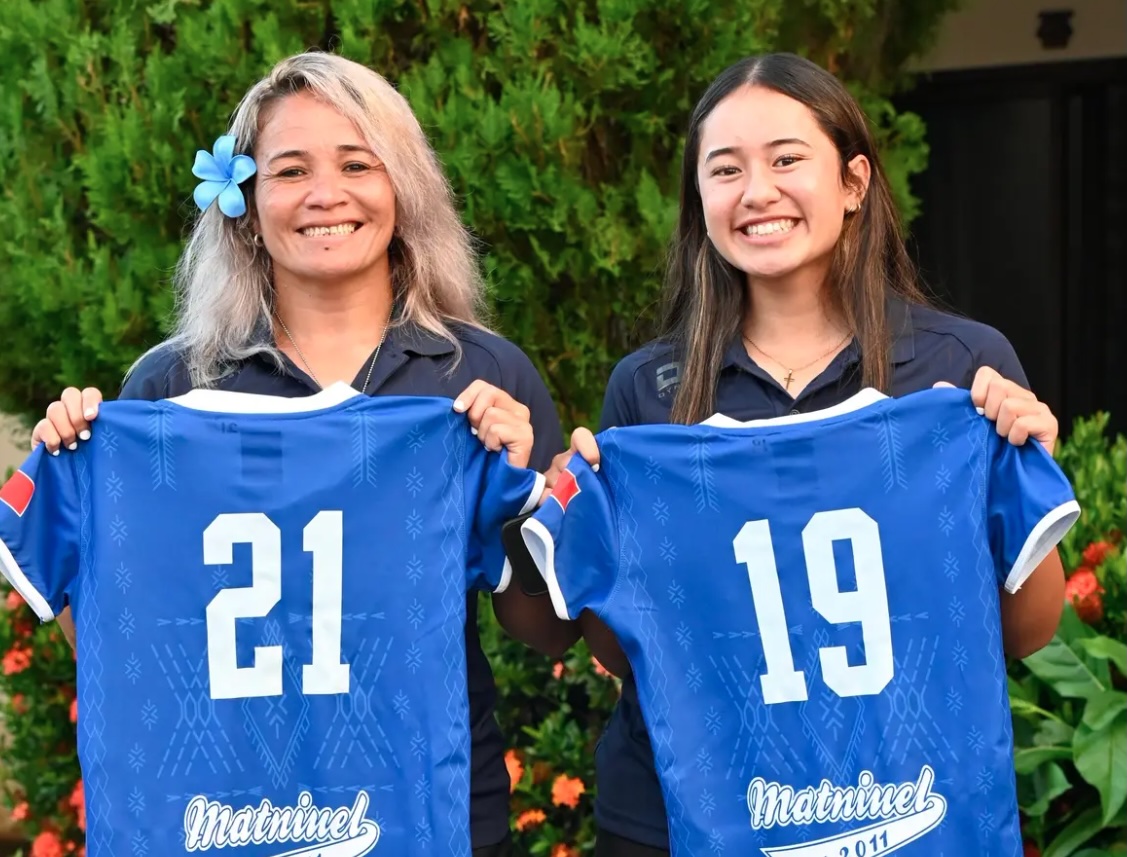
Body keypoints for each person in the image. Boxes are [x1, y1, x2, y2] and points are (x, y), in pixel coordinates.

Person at [31, 51, 580, 857]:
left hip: (432, 813)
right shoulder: (172, 385)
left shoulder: (481, 375)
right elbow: (120, 639)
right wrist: (73, 473)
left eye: (357, 164)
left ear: (402, 189)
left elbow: (549, 634)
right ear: (247, 206)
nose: (326, 194)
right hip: (225, 819)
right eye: (291, 170)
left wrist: (523, 499)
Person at [547, 52, 1067, 857]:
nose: (756, 191)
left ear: (854, 181)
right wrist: (588, 515)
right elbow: (623, 650)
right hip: (682, 815)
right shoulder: (650, 389)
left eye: (786, 159)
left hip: (908, 810)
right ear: (700, 200)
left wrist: (1021, 461)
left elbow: (1026, 630)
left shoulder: (960, 369)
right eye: (725, 170)